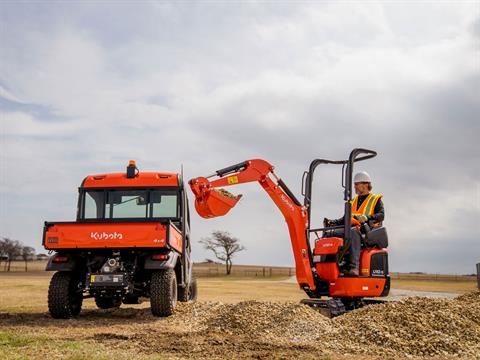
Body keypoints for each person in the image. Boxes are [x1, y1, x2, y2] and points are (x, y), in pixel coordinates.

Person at [324, 171, 384, 277]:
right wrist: (332, 223)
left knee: (353, 232)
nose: (354, 187)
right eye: (354, 185)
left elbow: (381, 215)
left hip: (366, 230)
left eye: (356, 184)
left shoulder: (375, 199)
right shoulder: (353, 201)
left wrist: (368, 217)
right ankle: (326, 264)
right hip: (351, 228)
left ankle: (354, 267)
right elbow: (345, 218)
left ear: (365, 184)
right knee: (328, 233)